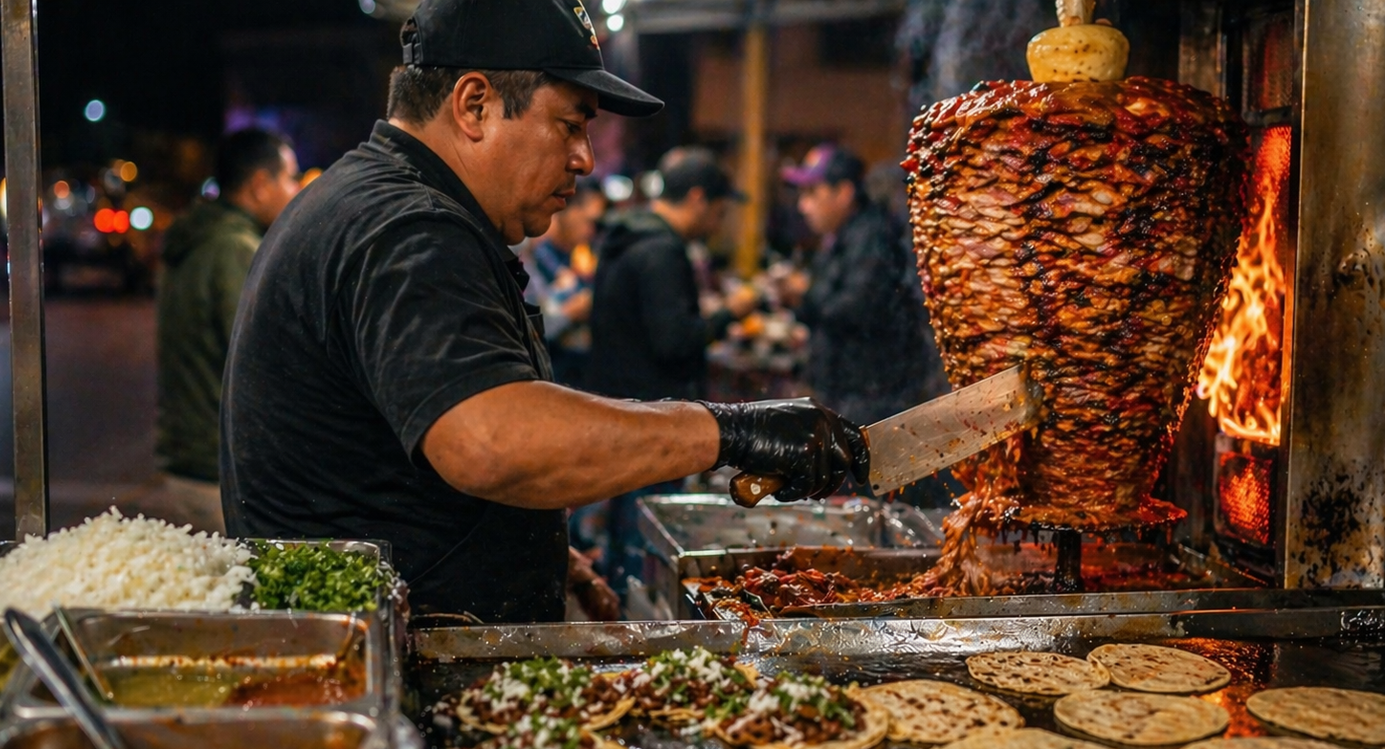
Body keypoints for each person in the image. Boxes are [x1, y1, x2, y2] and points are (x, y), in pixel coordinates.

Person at [220, 0, 868, 623]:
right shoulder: (407, 227)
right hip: (391, 672)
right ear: (475, 105)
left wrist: (546, 555)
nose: (585, 157)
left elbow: (399, 450)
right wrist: (733, 432)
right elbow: (489, 441)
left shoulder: (392, 201)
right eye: (571, 123)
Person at [155, 128, 300, 533]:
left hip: (187, 455)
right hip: (218, 467)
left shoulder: (195, 238)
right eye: (290, 178)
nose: (295, 191)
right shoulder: (237, 249)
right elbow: (270, 360)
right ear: (258, 186)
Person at [781, 143, 942, 427]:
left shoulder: (873, 237)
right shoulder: (842, 235)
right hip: (849, 391)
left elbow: (855, 308)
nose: (803, 206)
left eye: (812, 193)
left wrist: (804, 294)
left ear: (843, 193)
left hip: (874, 398)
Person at [586, 150, 754, 401]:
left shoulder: (630, 232)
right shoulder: (661, 250)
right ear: (697, 199)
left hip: (618, 400)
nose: (719, 225)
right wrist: (729, 313)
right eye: (720, 213)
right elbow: (674, 344)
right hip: (648, 409)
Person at [519, 176, 606, 388]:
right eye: (590, 221)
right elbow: (528, 329)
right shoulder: (533, 258)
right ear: (567, 210)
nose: (593, 231)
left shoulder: (586, 256)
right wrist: (571, 312)